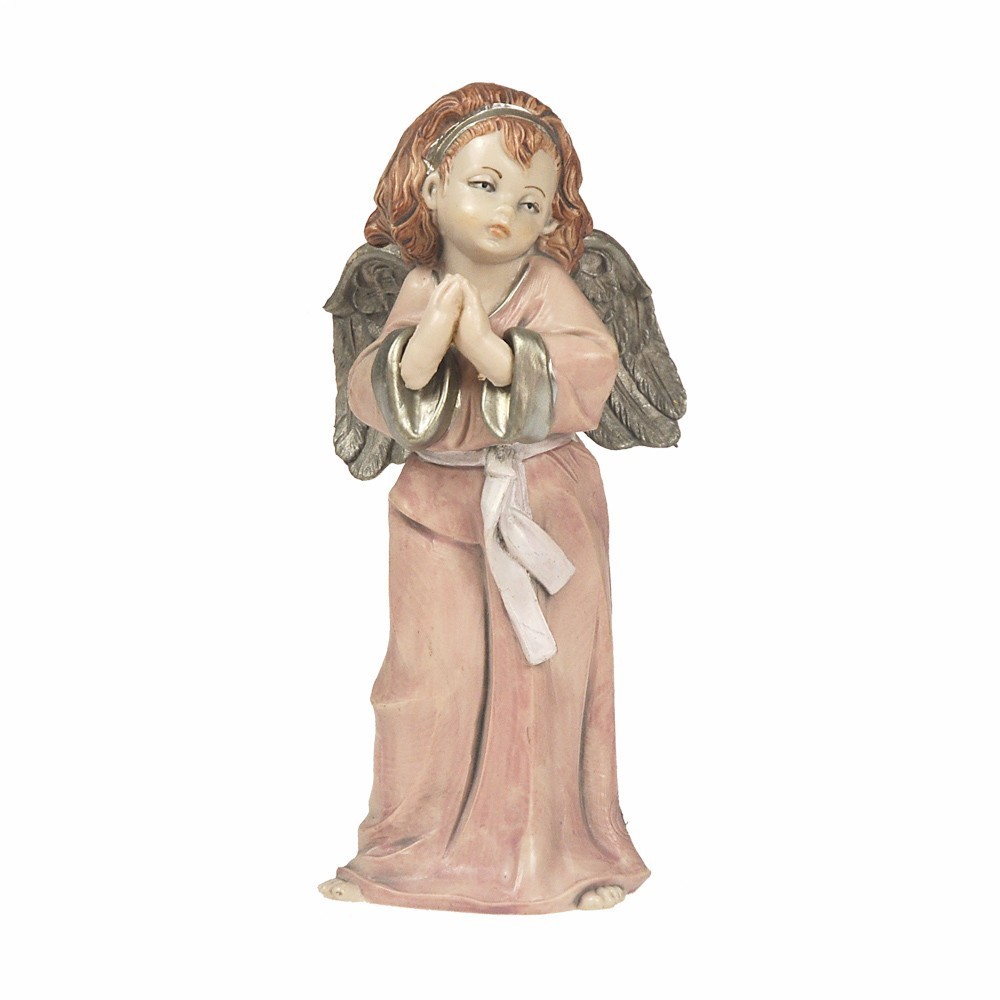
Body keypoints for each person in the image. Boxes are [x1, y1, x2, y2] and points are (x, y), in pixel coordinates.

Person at [319, 82, 679, 913]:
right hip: (435, 508)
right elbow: (372, 394)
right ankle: (406, 852)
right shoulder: (414, 285)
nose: (506, 213)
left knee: (544, 682)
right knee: (427, 682)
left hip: (546, 501)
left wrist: (492, 348)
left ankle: (561, 855)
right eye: (485, 185)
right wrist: (426, 344)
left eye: (531, 201)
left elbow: (592, 368)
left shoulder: (551, 285)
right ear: (430, 184)